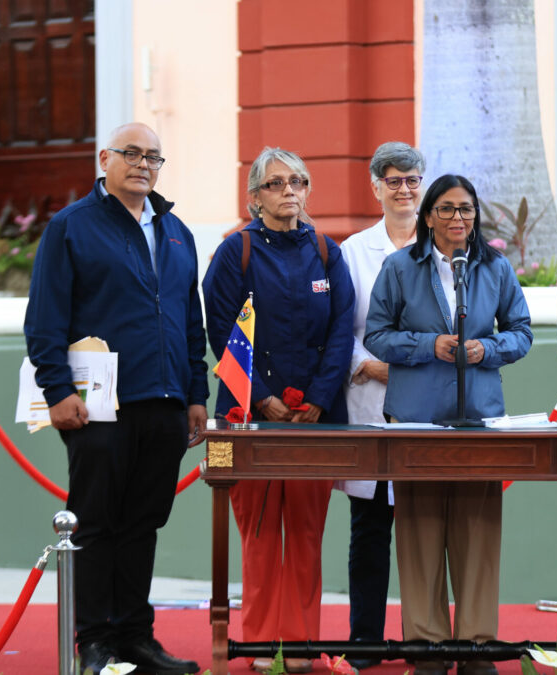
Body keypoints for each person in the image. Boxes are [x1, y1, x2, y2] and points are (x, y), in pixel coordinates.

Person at [24, 122, 207, 675]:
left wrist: (196, 394)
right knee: (97, 522)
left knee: (143, 522)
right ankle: (94, 641)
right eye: (131, 153)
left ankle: (136, 638)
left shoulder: (176, 231)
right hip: (98, 406)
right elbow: (45, 317)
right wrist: (57, 390)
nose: (143, 164)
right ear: (105, 158)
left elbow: (188, 320)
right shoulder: (71, 227)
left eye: (154, 156)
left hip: (167, 400)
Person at [364, 174, 532, 675]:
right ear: (428, 216)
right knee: (418, 532)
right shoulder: (399, 268)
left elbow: (520, 333)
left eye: (466, 210)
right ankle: (427, 648)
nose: (458, 218)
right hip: (415, 419)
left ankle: (477, 646)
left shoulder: (494, 268)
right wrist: (426, 345)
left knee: (478, 534)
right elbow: (376, 334)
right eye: (447, 209)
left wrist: (488, 349)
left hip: (479, 417)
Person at [203, 147, 355, 674]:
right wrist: (264, 396)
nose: (289, 190)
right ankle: (263, 644)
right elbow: (221, 331)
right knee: (262, 533)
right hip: (249, 416)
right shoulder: (234, 253)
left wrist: (317, 397)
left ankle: (303, 645)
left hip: (317, 417)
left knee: (308, 534)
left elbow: (341, 332)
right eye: (276, 183)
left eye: (298, 181)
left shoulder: (326, 252)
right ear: (254, 197)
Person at [336, 141, 425, 665]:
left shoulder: (442, 248)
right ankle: (364, 639)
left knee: (424, 528)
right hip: (369, 399)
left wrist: (414, 368)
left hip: (427, 407)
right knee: (369, 529)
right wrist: (369, 366)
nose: (404, 189)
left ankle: (424, 636)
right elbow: (340, 328)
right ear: (376, 187)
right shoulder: (353, 251)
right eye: (393, 180)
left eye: (412, 180)